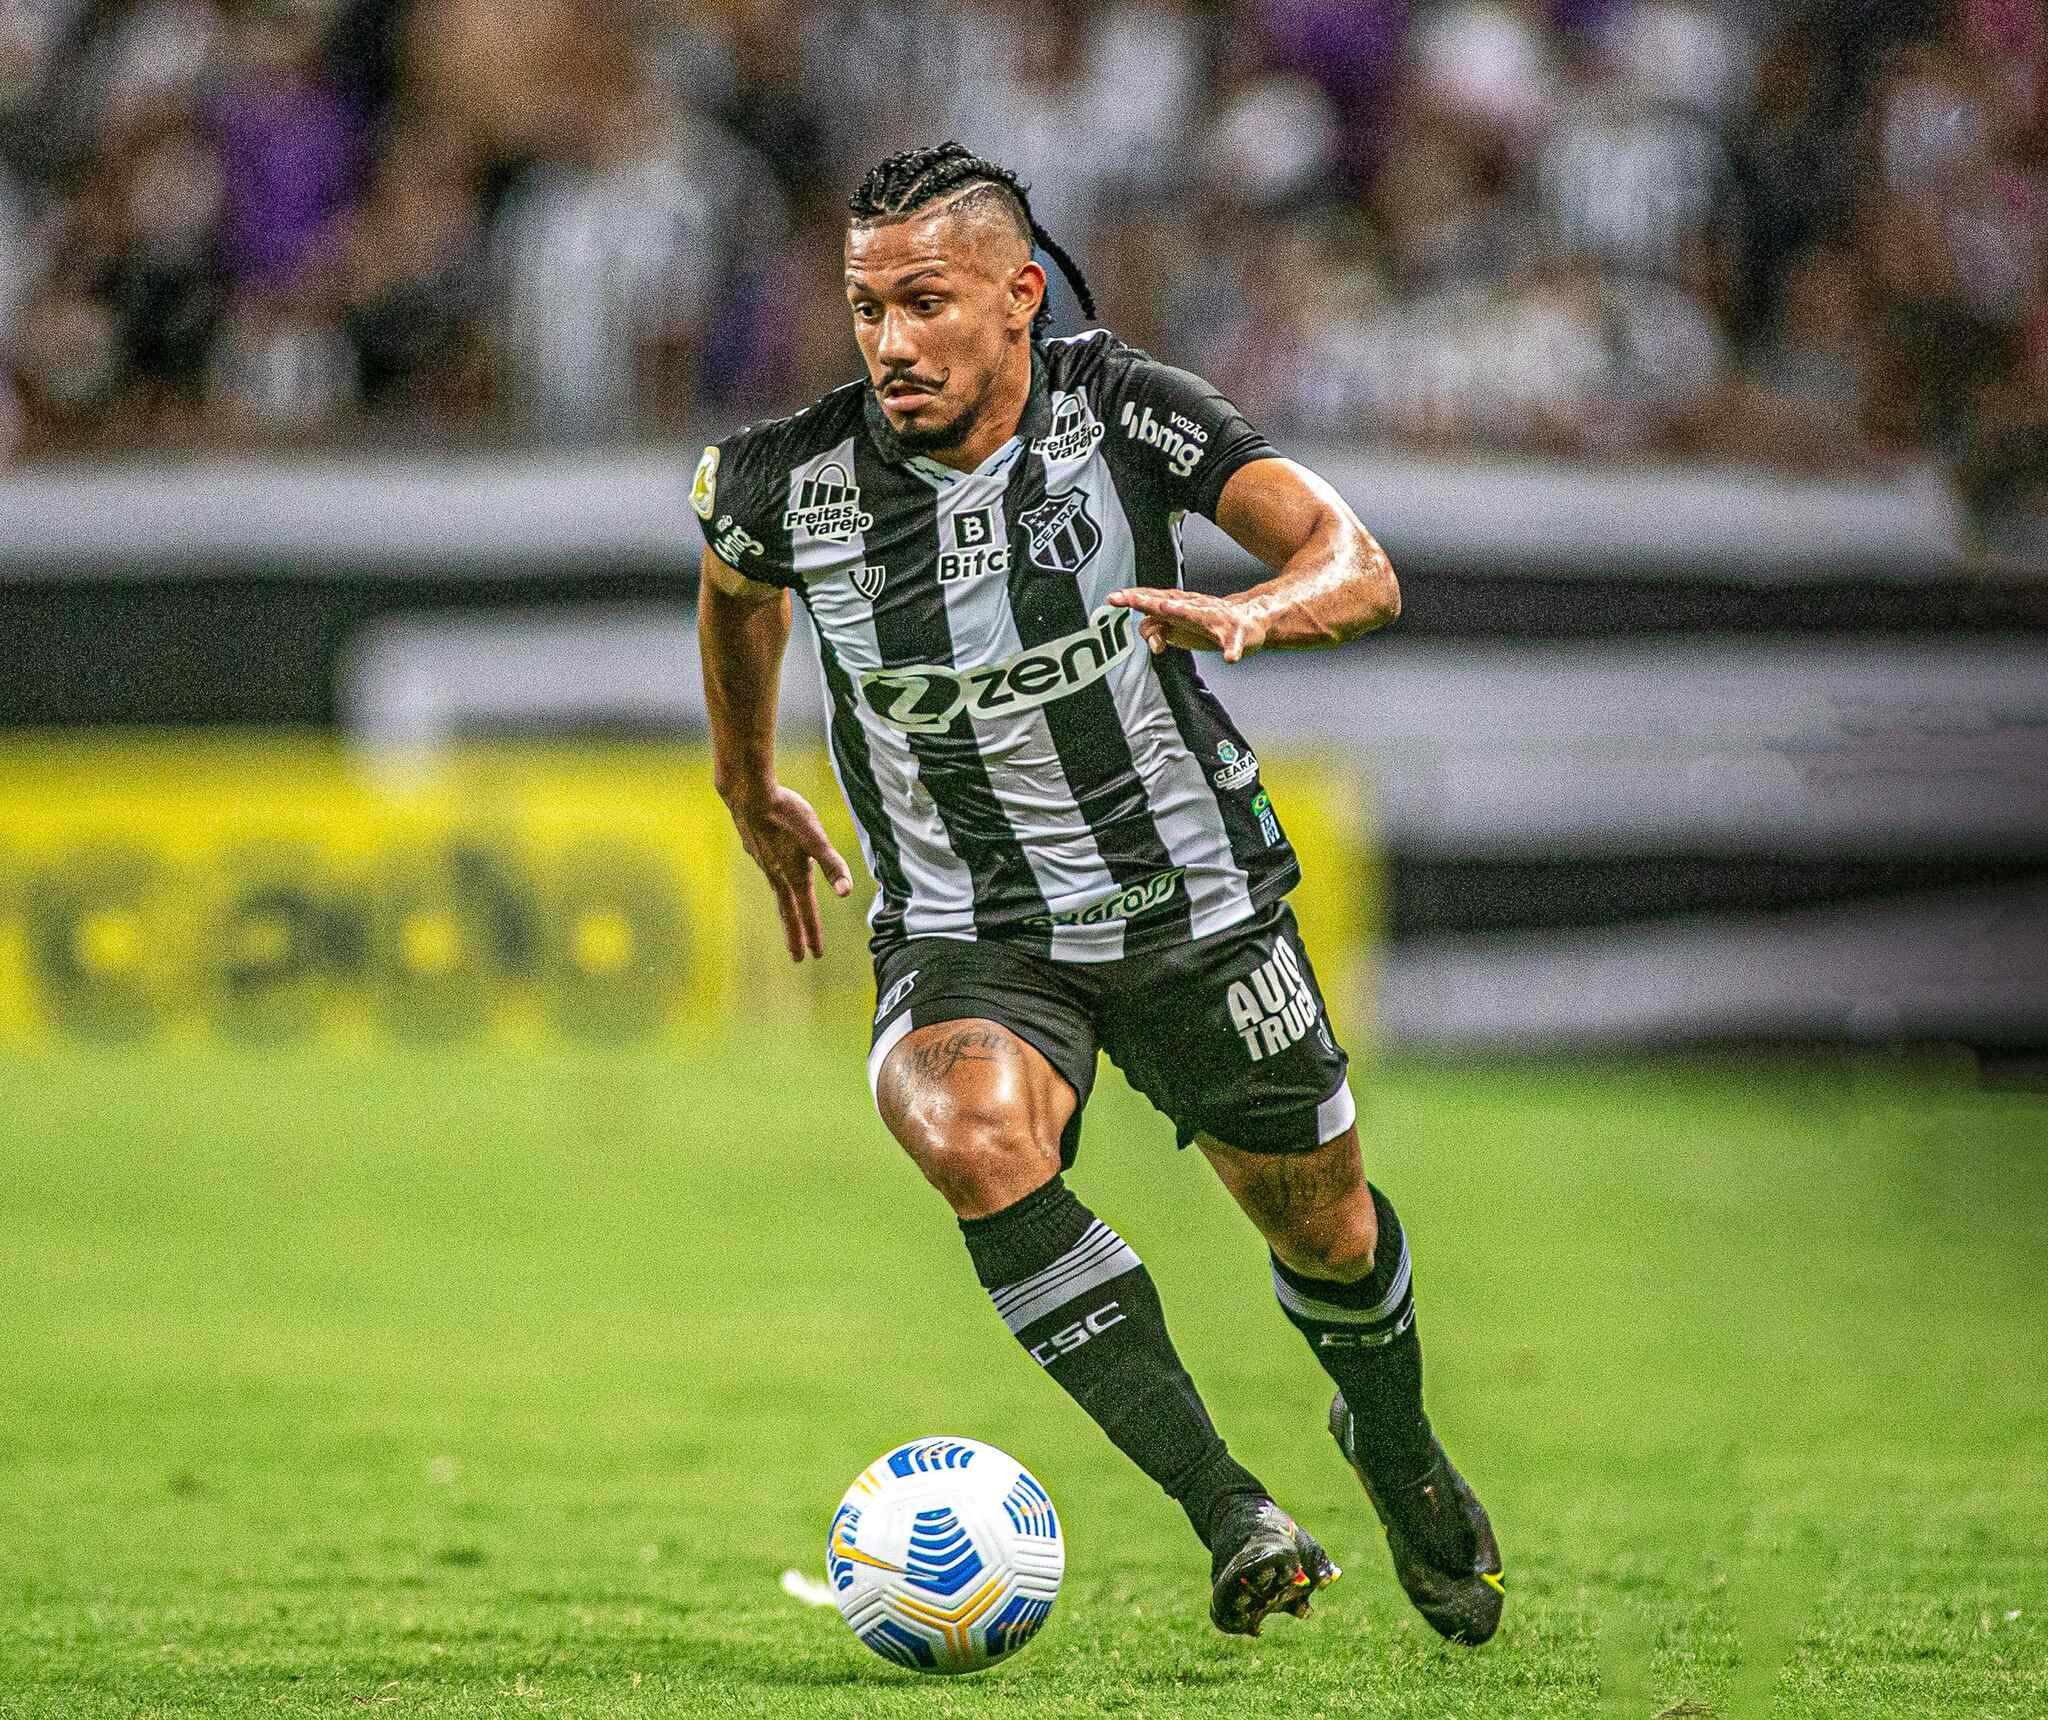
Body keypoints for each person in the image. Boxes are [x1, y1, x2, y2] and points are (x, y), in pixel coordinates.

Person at [693, 142, 1502, 1643]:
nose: (889, 343)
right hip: (969, 926)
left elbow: (1358, 562)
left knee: (1322, 1233)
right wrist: (746, 784)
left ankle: (1392, 1445)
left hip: (1191, 901)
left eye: (924, 304)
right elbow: (735, 590)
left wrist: (1257, 611)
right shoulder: (783, 481)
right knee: (966, 1129)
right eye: (865, 309)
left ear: (1017, 297)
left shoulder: (1127, 408)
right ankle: (1229, 1508)